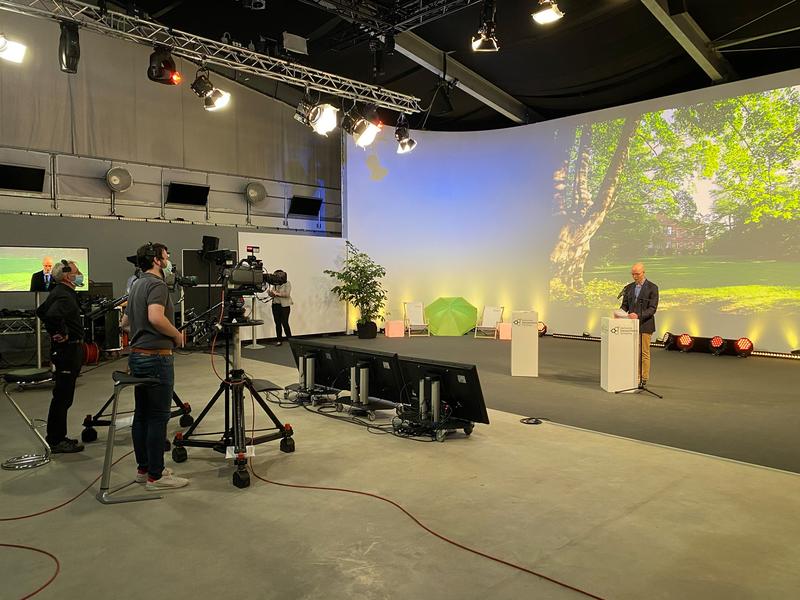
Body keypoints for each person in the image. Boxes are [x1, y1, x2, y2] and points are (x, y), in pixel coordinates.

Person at [123, 243, 188, 490]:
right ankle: (156, 476)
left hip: (138, 356)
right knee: (158, 418)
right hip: (156, 358)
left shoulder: (136, 284)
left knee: (142, 415)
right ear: (157, 260)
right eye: (166, 255)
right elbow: (156, 317)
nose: (169, 259)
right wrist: (176, 335)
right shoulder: (157, 285)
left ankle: (144, 470)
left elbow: (125, 322)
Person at [35, 259, 85, 453]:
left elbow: (41, 311)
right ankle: (56, 440)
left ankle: (58, 437)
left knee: (63, 396)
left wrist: (56, 331)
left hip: (66, 350)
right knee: (63, 397)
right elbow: (52, 315)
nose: (79, 273)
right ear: (67, 275)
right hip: (68, 351)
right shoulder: (65, 296)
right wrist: (61, 332)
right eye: (76, 271)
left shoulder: (59, 292)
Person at [620, 262, 659, 387]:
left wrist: (638, 315)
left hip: (645, 325)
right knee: (633, 352)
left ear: (643, 272)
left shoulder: (652, 287)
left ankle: (644, 378)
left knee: (644, 352)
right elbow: (625, 305)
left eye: (637, 274)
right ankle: (634, 376)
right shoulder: (629, 287)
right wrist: (619, 313)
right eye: (633, 274)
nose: (635, 276)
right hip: (630, 325)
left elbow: (652, 309)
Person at [268, 270, 292, 346]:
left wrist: (277, 293)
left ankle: (290, 340)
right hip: (275, 305)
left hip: (285, 306)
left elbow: (287, 294)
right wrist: (270, 293)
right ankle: (279, 340)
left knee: (285, 323)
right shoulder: (275, 284)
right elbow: (272, 294)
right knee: (277, 323)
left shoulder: (287, 283)